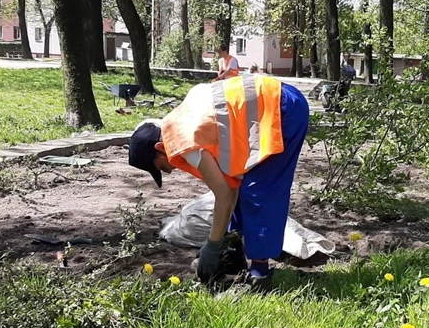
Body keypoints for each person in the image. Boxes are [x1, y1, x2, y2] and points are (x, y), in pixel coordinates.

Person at [127, 74, 309, 292]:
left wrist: (212, 247)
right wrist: (222, 242)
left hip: (282, 109)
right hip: (273, 103)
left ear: (159, 148)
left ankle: (260, 276)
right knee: (243, 189)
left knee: (258, 192)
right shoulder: (180, 122)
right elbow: (230, 189)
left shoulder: (185, 141)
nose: (168, 170)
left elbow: (223, 195)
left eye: (159, 166)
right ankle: (233, 255)